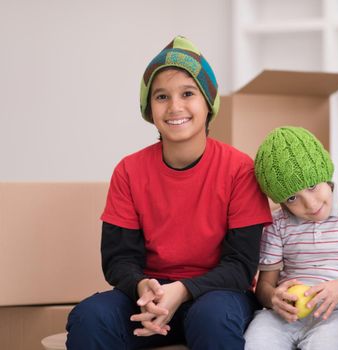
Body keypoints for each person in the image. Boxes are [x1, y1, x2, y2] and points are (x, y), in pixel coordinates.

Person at [65, 35, 272, 350]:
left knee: (213, 318)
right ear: (149, 108)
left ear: (208, 103)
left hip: (216, 295)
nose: (175, 107)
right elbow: (118, 258)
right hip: (150, 297)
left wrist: (184, 289)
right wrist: (141, 287)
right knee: (90, 317)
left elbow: (240, 267)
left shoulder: (239, 169)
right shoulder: (129, 170)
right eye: (161, 96)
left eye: (188, 93)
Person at [244, 126, 338, 350]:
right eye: (292, 198)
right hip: (284, 315)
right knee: (255, 343)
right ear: (281, 202)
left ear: (326, 175)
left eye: (312, 186)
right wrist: (273, 298)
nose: (310, 204)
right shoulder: (278, 224)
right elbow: (264, 286)